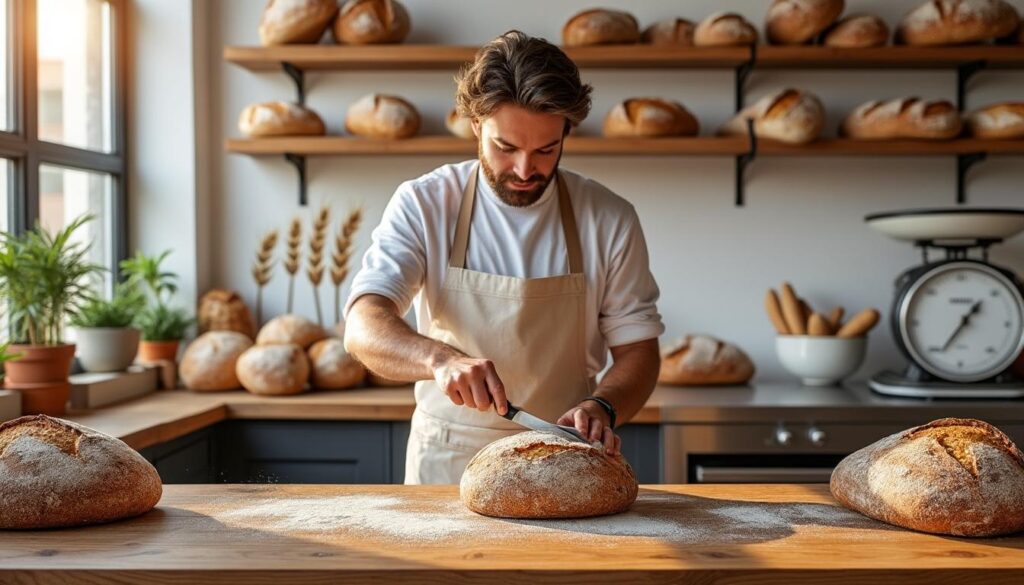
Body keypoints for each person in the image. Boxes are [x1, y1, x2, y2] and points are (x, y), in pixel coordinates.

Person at [344, 30, 663, 484]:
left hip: (562, 457)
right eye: (505, 147)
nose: (524, 169)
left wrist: (603, 406)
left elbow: (639, 353)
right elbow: (363, 327)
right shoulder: (425, 203)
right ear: (475, 124)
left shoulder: (608, 218)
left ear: (567, 132)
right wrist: (440, 360)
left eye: (546, 150)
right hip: (446, 466)